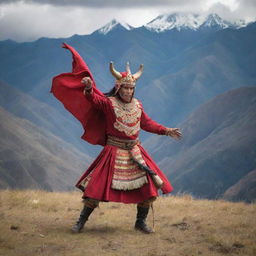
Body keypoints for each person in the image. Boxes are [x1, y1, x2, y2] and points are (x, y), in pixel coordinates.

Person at [51, 43, 181, 234]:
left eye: (131, 89)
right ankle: (80, 222)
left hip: (136, 151)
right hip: (113, 150)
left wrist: (166, 130)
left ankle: (140, 222)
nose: (128, 91)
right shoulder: (108, 104)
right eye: (125, 88)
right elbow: (94, 100)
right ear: (118, 88)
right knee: (94, 189)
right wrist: (88, 88)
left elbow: (146, 123)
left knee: (149, 188)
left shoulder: (138, 105)